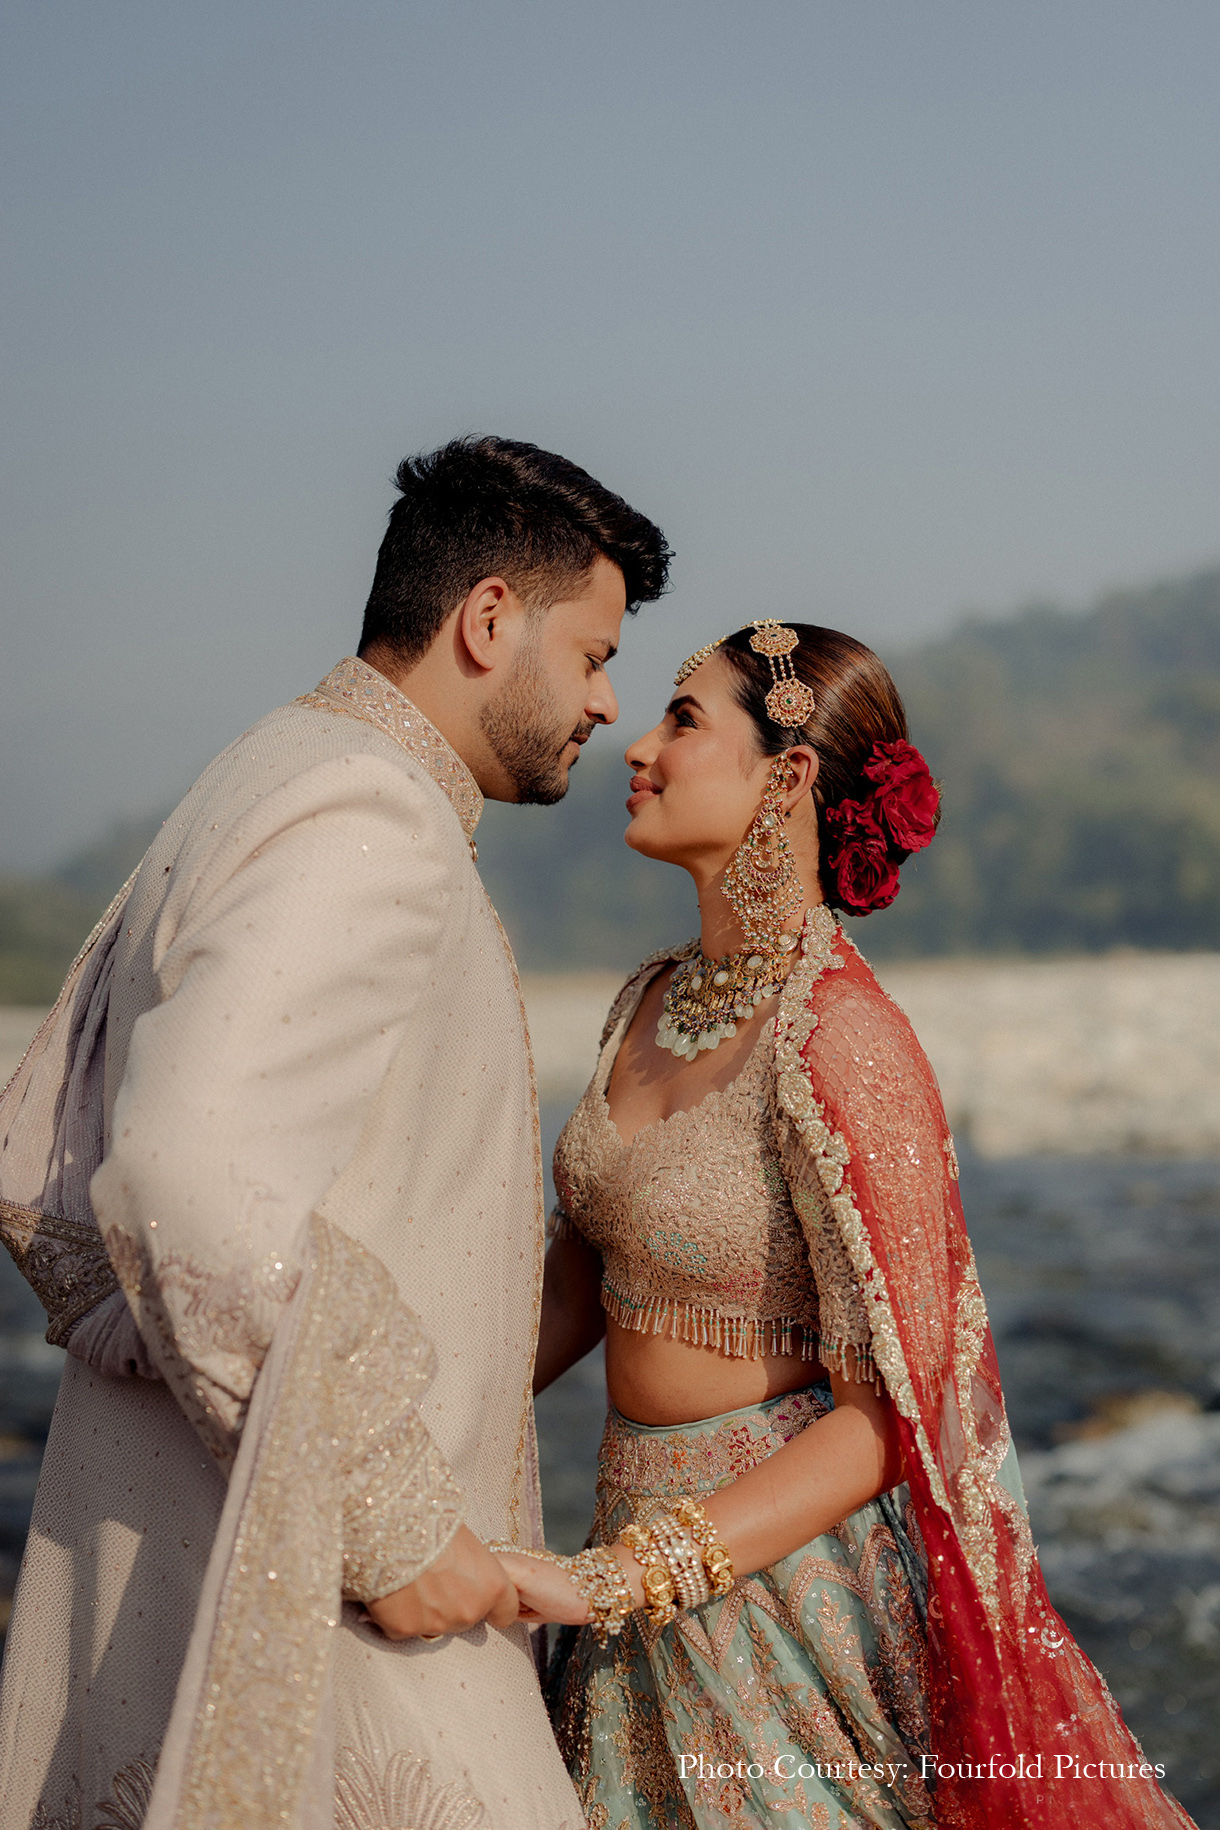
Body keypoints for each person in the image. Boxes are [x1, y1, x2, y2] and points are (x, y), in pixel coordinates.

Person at [0, 436, 670, 1830]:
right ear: (489, 619)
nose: (609, 702)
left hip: (202, 1524)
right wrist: (398, 1520)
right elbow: (183, 1167)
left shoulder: (264, 768)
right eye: (595, 653)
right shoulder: (366, 812)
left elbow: (41, 1173)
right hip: (334, 1590)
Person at [499, 619, 1198, 1830]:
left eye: (683, 719)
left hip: (772, 1598)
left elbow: (885, 1421)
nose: (637, 747)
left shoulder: (839, 1039)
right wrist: (411, 1407)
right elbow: (585, 1267)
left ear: (787, 775)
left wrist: (627, 1578)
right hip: (623, 1567)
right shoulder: (647, 998)